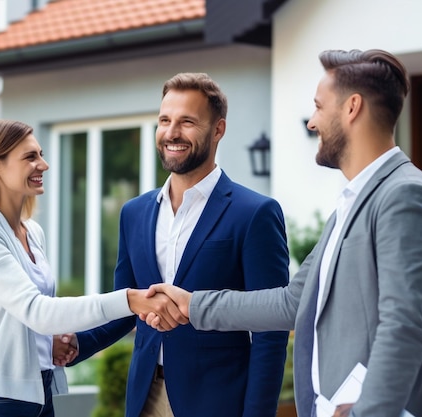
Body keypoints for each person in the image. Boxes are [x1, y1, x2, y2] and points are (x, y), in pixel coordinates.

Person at [146, 50, 422, 417]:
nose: (312, 122)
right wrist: (191, 304)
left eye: (318, 106)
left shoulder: (405, 196)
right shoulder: (351, 204)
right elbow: (291, 302)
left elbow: (403, 328)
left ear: (352, 108)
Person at [65, 73, 290, 417]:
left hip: (218, 401)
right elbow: (126, 304)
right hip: (146, 396)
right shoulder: (135, 213)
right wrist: (76, 344)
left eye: (187, 122)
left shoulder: (255, 213)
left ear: (218, 130)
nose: (171, 133)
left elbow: (270, 329)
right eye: (164, 121)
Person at [0, 119, 185, 417]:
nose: (43, 165)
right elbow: (37, 312)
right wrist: (129, 299)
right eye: (30, 157)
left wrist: (53, 344)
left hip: (39, 392)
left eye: (41, 154)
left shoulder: (32, 232)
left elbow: (25, 319)